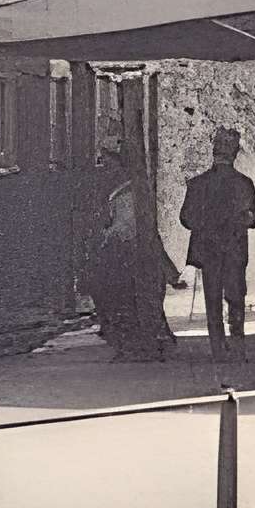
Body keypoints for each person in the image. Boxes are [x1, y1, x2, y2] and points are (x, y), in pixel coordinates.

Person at [82, 147, 177, 363]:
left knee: (124, 297)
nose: (105, 169)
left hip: (127, 252)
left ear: (120, 167)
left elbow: (126, 227)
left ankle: (137, 343)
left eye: (109, 164)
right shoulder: (119, 192)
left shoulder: (128, 194)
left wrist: (106, 234)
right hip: (125, 250)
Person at [179, 128, 255, 360]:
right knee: (236, 297)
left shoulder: (197, 184)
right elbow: (254, 219)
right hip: (235, 250)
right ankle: (238, 346)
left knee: (212, 299)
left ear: (214, 154)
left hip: (209, 252)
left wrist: (206, 226)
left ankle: (217, 348)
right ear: (234, 154)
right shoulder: (245, 184)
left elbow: (186, 219)